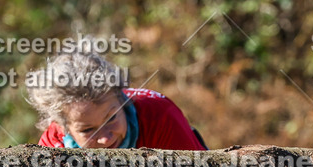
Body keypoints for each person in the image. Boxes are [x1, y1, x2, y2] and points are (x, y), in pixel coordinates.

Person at [27, 51, 206, 150]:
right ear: (64, 128)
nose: (105, 139)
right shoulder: (54, 144)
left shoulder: (161, 118)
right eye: (88, 129)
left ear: (122, 98)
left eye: (111, 118)